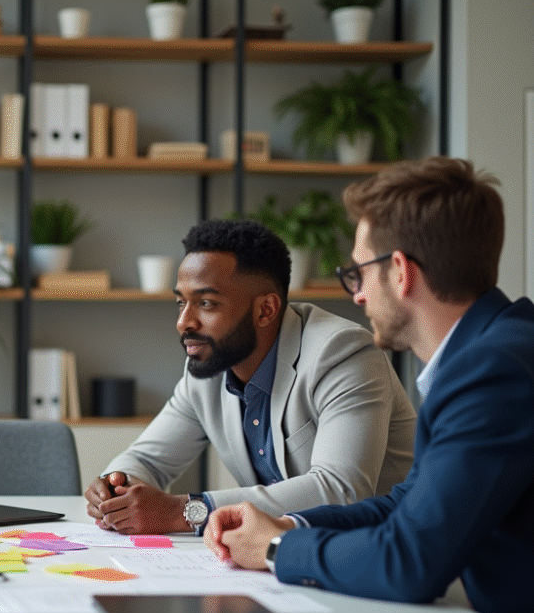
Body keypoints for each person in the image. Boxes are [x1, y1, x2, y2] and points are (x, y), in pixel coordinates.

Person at [204, 157, 534, 613]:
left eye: (358, 274)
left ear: (400, 271)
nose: (356, 296)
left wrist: (275, 551)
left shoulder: (492, 373)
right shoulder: (497, 348)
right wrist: (287, 525)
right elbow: (409, 502)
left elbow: (409, 564)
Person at [86, 219, 415, 535]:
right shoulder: (208, 368)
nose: (184, 322)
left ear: (266, 310)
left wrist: (183, 512)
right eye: (180, 302)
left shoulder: (341, 353)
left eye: (206, 303)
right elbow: (146, 460)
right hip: (282, 553)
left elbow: (342, 490)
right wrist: (116, 487)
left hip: (381, 553)